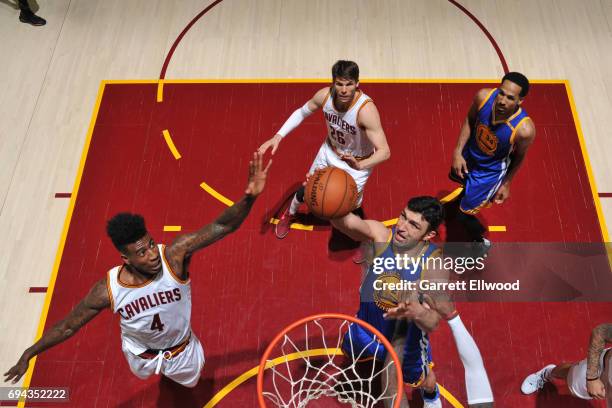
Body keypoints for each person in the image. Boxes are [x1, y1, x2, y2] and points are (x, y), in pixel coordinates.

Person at [3, 152, 271, 387]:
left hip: (180, 351)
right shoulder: (108, 290)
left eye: (151, 244)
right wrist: (29, 353)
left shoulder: (174, 256)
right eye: (141, 252)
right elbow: (68, 327)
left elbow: (222, 226)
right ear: (125, 257)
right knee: (144, 374)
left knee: (193, 381)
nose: (153, 254)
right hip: (139, 353)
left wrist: (248, 198)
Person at [258, 60, 390, 248]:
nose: (344, 90)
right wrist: (278, 136)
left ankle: (357, 235)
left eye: (349, 84)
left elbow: (385, 152)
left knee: (348, 206)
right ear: (333, 83)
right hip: (329, 152)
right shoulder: (324, 96)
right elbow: (302, 112)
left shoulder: (365, 111)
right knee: (309, 187)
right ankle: (291, 212)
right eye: (339, 84)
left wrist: (360, 165)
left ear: (357, 84)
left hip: (357, 164)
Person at [333, 196, 447, 408]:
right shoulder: (381, 236)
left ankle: (431, 395)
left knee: (423, 380)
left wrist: (418, 312)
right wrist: (328, 204)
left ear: (429, 235)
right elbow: (348, 224)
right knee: (350, 354)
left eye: (413, 225)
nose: (401, 227)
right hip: (367, 327)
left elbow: (433, 323)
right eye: (403, 216)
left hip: (404, 342)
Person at [449, 72, 535, 255]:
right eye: (501, 93)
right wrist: (457, 151)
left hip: (489, 172)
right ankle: (467, 193)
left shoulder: (524, 130)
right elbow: (470, 121)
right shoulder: (483, 97)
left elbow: (519, 157)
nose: (502, 100)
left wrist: (507, 182)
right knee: (455, 176)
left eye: (510, 98)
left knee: (463, 215)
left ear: (521, 101)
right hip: (470, 155)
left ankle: (479, 240)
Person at [521, 323, 611, 405]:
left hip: (607, 392)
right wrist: (592, 377)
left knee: (574, 391)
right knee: (571, 377)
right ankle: (547, 373)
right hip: (601, 368)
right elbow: (601, 333)